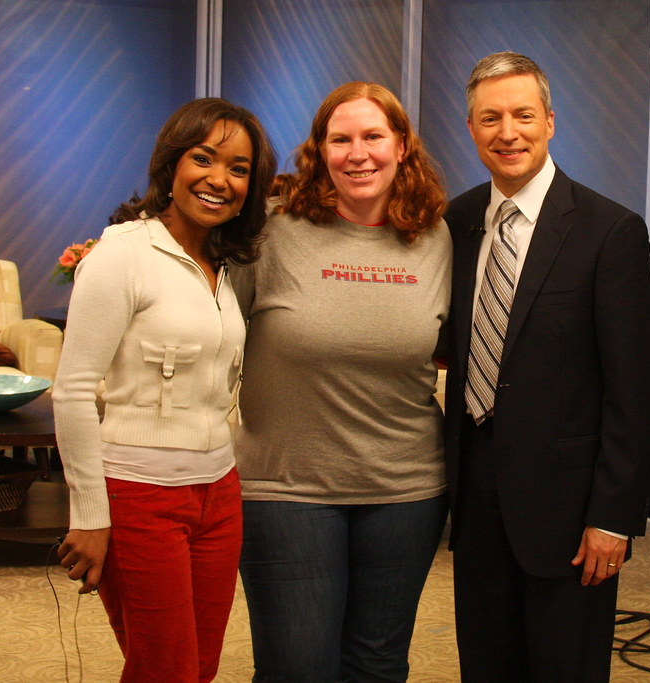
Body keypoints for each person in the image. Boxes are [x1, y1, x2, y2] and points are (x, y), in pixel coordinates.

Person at [443, 51, 650, 682]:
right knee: (484, 666)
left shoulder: (609, 231)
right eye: (490, 118)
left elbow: (638, 390)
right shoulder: (456, 222)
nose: (506, 132)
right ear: (471, 129)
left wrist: (613, 519)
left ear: (549, 121)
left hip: (571, 515)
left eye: (522, 115)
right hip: (478, 499)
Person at [228, 81, 451, 683]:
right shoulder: (272, 232)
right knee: (298, 668)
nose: (359, 153)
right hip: (286, 487)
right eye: (341, 139)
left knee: (377, 666)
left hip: (406, 488)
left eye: (373, 137)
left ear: (401, 146)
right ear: (319, 150)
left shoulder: (437, 237)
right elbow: (214, 332)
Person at [53, 98, 276, 683]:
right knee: (166, 671)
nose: (218, 180)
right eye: (203, 158)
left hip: (219, 495)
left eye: (238, 168)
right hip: (139, 495)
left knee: (195, 670)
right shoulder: (121, 254)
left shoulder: (226, 264)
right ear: (171, 164)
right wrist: (89, 515)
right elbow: (73, 391)